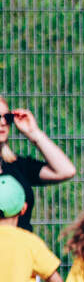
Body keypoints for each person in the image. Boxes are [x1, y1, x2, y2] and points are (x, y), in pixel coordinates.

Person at [0, 98, 76, 233]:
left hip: (20, 244)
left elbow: (66, 171)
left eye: (7, 117)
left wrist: (34, 133)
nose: (3, 122)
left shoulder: (17, 165)